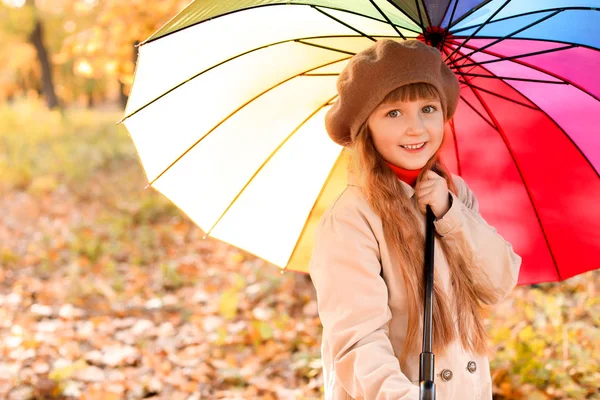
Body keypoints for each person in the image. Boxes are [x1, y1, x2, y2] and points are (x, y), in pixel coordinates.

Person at [308, 39, 522, 400]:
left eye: (428, 108)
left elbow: (497, 282)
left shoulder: (455, 195)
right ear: (367, 127)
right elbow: (357, 341)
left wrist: (450, 213)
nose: (416, 128)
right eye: (394, 113)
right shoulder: (351, 220)